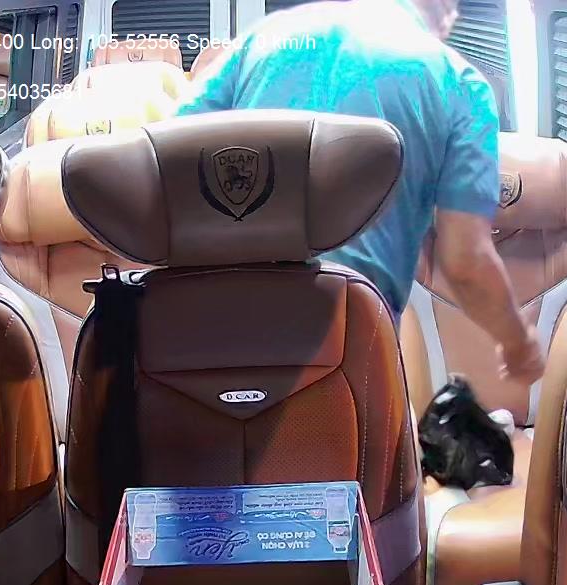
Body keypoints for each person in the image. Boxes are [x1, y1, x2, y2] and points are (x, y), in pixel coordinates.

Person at [178, 0, 545, 383]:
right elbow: (465, 260)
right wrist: (518, 344)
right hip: (346, 344)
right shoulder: (459, 83)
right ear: (445, 10)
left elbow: (164, 158)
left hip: (219, 327)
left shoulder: (264, 38)